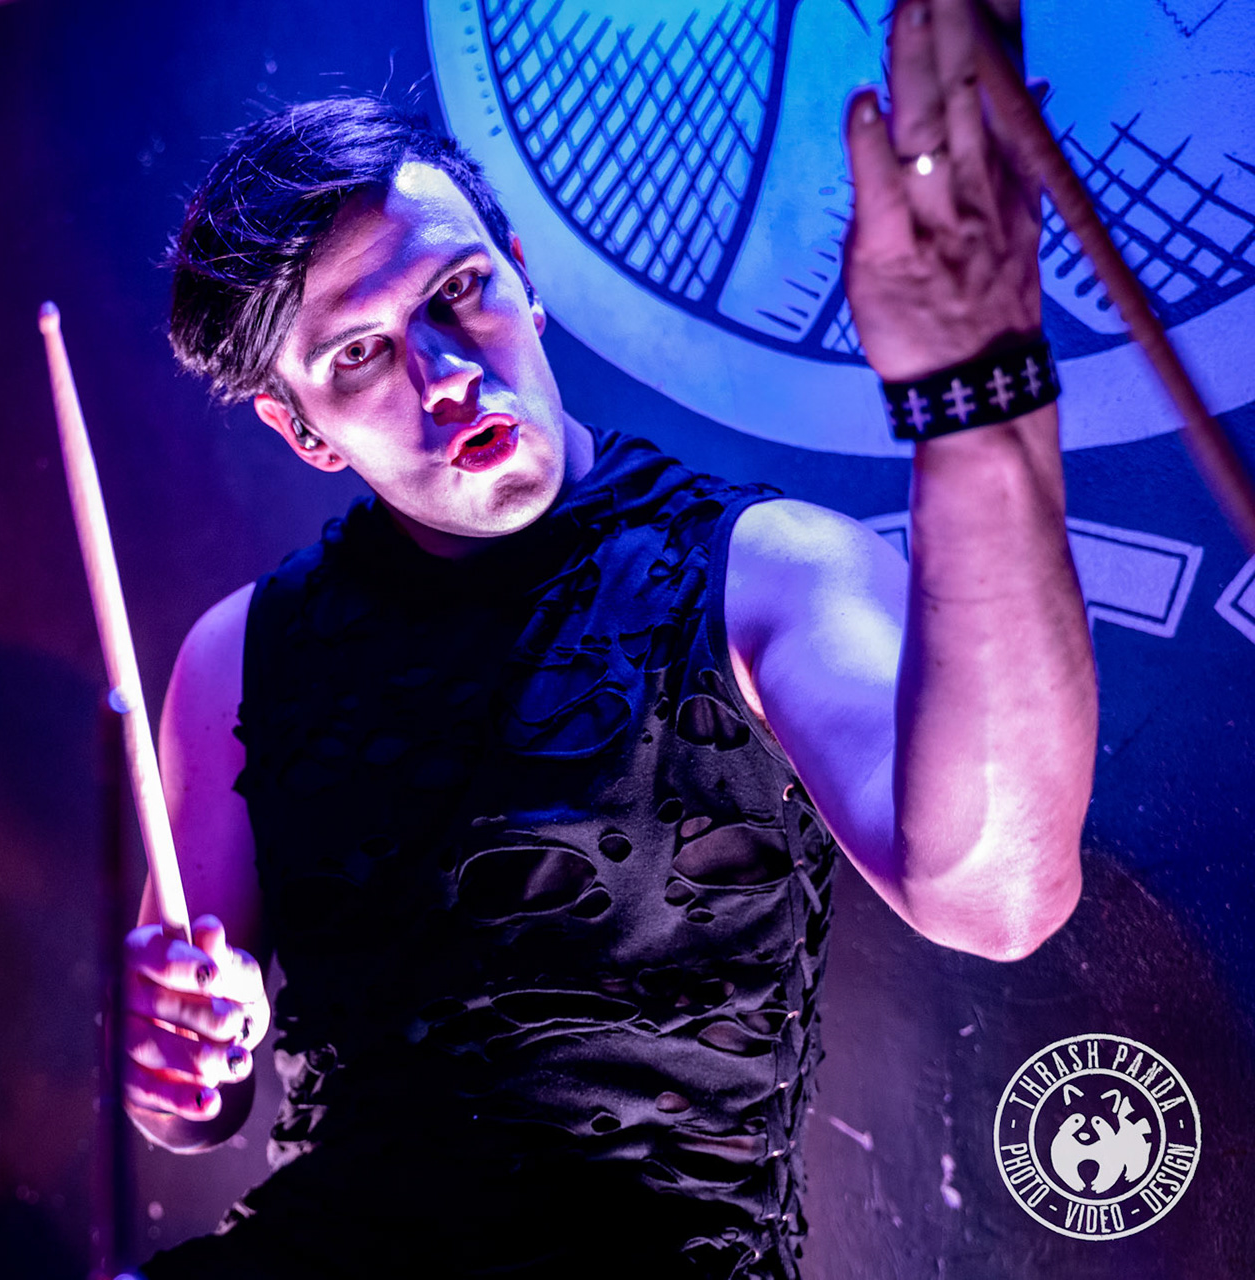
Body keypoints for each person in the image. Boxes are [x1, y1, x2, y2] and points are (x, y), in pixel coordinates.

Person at [121, 2, 1095, 1275]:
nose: (445, 372)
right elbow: (192, 1107)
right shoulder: (238, 656)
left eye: (460, 291)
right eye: (359, 353)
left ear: (524, 275)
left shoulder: (763, 568)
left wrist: (973, 389)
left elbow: (998, 896)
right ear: (300, 428)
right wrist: (179, 1057)